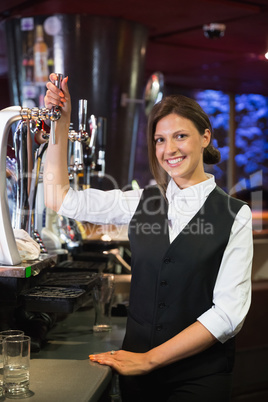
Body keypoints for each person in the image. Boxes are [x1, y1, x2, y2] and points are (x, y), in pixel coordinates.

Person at [44, 74, 253, 402]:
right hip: (137, 374)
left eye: (180, 136)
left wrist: (150, 360)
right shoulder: (140, 200)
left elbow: (227, 314)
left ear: (205, 137)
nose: (169, 149)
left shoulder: (235, 214)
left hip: (198, 378)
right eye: (160, 140)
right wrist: (61, 123)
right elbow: (61, 199)